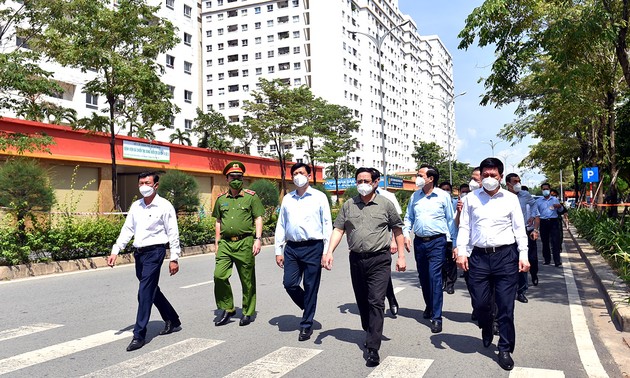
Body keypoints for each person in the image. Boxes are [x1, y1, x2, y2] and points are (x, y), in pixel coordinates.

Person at [322, 167, 406, 367]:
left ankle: (373, 347)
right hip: (357, 260)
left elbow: (397, 229)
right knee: (363, 302)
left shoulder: (386, 204)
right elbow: (338, 229)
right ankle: (370, 330)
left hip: (380, 259)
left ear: (375, 182)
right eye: (359, 181)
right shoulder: (349, 205)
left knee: (376, 300)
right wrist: (329, 251)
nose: (362, 184)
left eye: (366, 180)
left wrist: (401, 256)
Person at [456, 157, 530, 371]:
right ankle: (486, 326)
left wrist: (523, 255)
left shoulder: (510, 199)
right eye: (485, 176)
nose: (489, 179)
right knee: (480, 304)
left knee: (506, 306)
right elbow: (465, 228)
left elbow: (519, 229)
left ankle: (505, 348)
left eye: (493, 176)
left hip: (505, 257)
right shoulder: (471, 198)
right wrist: (462, 252)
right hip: (478, 257)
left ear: (500, 176)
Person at [108, 171, 181, 352]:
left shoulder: (164, 206)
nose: (144, 186)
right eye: (141, 183)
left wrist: (174, 257)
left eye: (147, 183)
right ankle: (172, 319)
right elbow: (128, 229)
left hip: (155, 252)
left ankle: (139, 334)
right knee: (151, 289)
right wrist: (116, 250)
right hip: (139, 254)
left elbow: (173, 232)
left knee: (144, 293)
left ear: (156, 185)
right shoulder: (136, 206)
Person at [274, 163, 332, 341]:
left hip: (313, 247)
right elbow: (281, 224)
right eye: (295, 173)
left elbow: (327, 224)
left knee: (310, 286)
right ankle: (308, 305)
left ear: (309, 176)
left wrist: (326, 251)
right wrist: (278, 249)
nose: (299, 176)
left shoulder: (319, 197)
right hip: (291, 248)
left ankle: (306, 325)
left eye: (302, 173)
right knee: (289, 283)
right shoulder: (288, 199)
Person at [403, 165, 457, 334]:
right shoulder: (415, 196)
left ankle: (437, 317)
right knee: (424, 277)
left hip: (437, 242)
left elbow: (450, 220)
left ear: (431, 178)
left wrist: (454, 243)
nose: (416, 178)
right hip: (420, 242)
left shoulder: (443, 196)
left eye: (420, 175)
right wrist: (406, 234)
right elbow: (408, 217)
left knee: (435, 277)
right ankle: (429, 305)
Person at [213, 161, 265, 326]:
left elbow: (258, 218)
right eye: (232, 177)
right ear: (227, 179)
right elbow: (218, 221)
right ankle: (228, 308)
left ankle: (248, 312)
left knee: (247, 279)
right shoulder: (221, 199)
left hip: (245, 242)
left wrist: (257, 239)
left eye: (239, 177)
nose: (236, 179)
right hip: (226, 244)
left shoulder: (251, 197)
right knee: (219, 276)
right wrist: (217, 242)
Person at [505, 173, 540, 303]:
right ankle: (509, 291)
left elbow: (534, 205)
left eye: (519, 181)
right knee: (508, 263)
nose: (517, 184)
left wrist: (533, 216)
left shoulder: (525, 195)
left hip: (522, 230)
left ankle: (521, 291)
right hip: (507, 232)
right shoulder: (503, 196)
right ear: (508, 183)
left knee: (523, 260)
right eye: (515, 181)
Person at [373, 168, 403, 316]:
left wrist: (393, 241)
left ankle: (390, 298)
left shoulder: (388, 197)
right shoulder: (359, 197)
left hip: (383, 242)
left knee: (383, 274)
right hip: (367, 246)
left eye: (373, 180)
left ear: (378, 181)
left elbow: (396, 224)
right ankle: (388, 297)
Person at [535, 183, 563, 267]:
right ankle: (547, 260)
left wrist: (559, 206)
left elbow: (561, 210)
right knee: (545, 242)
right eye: (543, 189)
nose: (545, 190)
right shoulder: (538, 201)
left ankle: (557, 261)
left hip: (553, 222)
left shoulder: (554, 199)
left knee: (555, 242)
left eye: (546, 189)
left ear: (549, 190)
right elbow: (536, 213)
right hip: (543, 222)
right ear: (541, 190)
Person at [438, 181, 459, 295]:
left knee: (451, 262)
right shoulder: (436, 203)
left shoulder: (455, 203)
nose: (446, 191)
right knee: (440, 262)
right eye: (443, 189)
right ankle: (442, 281)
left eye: (447, 189)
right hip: (440, 237)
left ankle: (450, 284)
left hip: (452, 236)